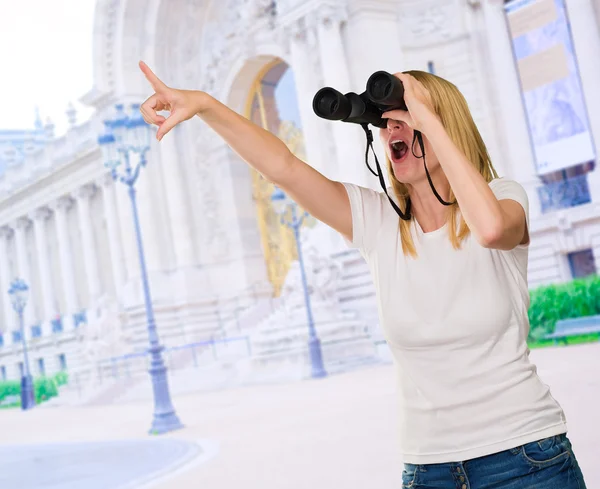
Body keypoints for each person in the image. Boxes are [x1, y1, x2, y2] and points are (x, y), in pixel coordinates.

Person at [137, 61, 587, 488]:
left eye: (406, 115)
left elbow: (490, 230)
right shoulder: (379, 223)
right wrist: (206, 105)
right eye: (387, 120)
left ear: (440, 125)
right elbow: (284, 168)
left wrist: (428, 118)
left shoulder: (503, 197)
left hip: (528, 459)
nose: (393, 126)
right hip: (428, 469)